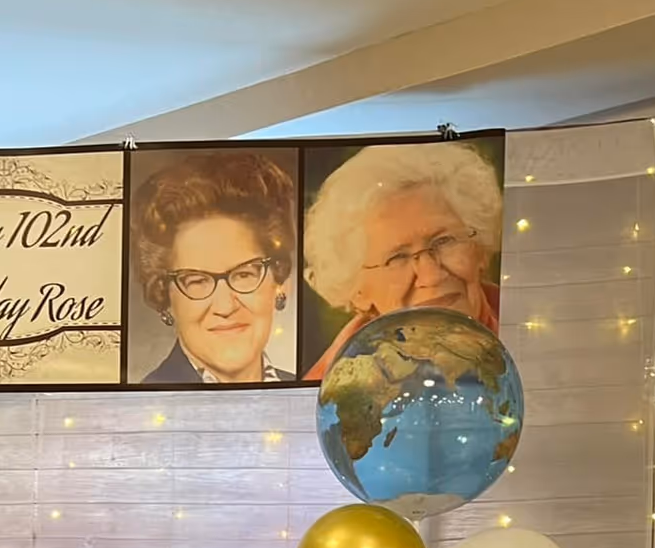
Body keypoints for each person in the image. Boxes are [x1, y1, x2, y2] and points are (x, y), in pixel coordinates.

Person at [302, 142, 504, 380]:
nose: (432, 275)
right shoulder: (327, 393)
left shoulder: (533, 332)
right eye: (398, 257)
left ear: (479, 250)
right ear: (359, 291)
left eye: (444, 241)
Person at [131, 151, 297, 384]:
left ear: (279, 283)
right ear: (164, 297)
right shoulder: (147, 404)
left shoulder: (311, 392)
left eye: (244, 274)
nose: (225, 306)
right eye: (197, 281)